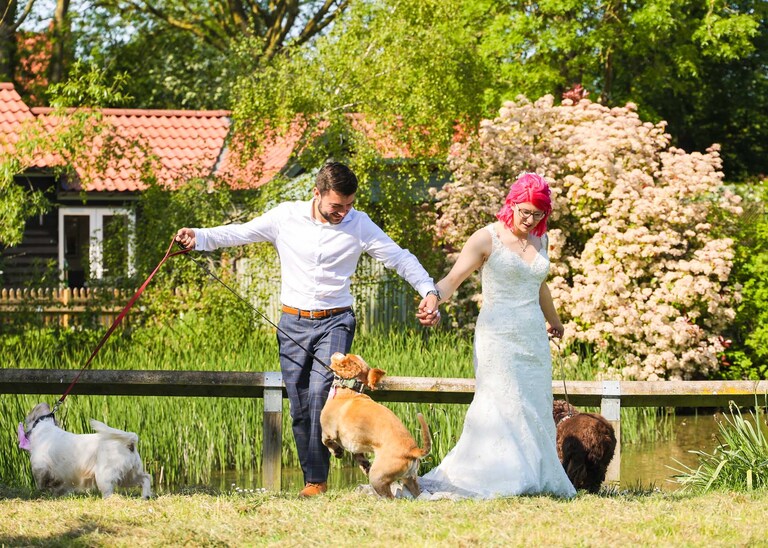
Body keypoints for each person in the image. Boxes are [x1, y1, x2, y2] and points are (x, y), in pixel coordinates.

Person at [175, 162, 440, 497]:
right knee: (300, 405)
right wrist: (197, 237)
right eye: (336, 206)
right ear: (316, 194)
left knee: (320, 394)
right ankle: (315, 481)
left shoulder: (359, 224)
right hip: (293, 323)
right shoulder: (284, 217)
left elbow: (399, 257)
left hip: (336, 319)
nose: (344, 212)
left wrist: (429, 291)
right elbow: (240, 232)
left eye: (349, 205)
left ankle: (342, 464)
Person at [415, 172, 576, 499]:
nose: (530, 220)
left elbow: (539, 284)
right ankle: (502, 476)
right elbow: (452, 279)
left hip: (532, 336)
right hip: (497, 336)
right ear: (511, 204)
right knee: (502, 402)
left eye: (538, 214)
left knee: (534, 404)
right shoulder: (486, 238)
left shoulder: (541, 239)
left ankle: (537, 474)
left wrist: (554, 321)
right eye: (525, 211)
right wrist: (432, 298)